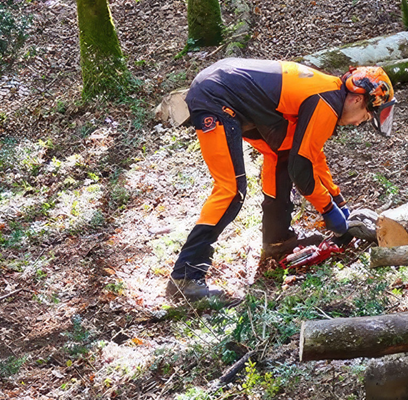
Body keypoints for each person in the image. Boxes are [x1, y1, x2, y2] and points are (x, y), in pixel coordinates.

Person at [166, 58, 396, 301]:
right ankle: (185, 277)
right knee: (230, 189)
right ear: (357, 99)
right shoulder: (326, 101)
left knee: (282, 155)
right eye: (365, 116)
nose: (360, 122)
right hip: (217, 94)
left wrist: (339, 203)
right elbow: (302, 170)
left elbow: (312, 155)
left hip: (233, 94)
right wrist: (329, 211)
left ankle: (278, 240)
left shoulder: (329, 95)